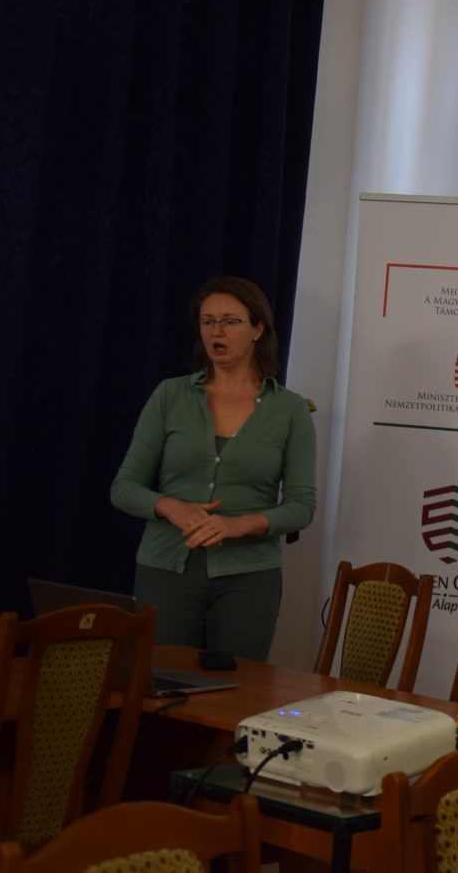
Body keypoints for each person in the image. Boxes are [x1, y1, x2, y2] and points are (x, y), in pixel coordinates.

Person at [111, 276, 316, 661]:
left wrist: (238, 525)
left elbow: (302, 507)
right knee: (159, 679)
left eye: (230, 321)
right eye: (207, 321)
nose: (216, 331)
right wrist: (171, 507)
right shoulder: (170, 395)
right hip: (166, 568)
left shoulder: (290, 409)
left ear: (257, 329)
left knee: (240, 685)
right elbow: (124, 487)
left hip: (249, 576)